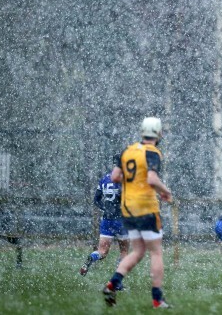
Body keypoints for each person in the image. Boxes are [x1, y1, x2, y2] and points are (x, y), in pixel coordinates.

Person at [102, 117, 173, 309]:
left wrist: (132, 181)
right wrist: (165, 191)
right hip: (146, 207)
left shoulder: (127, 150)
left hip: (127, 207)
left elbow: (115, 176)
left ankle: (112, 283)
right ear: (159, 134)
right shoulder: (153, 152)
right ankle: (157, 299)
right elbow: (151, 179)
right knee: (156, 252)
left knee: (138, 251)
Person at [80, 168, 130, 281]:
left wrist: (106, 208)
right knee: (124, 251)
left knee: (102, 251)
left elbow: (96, 200)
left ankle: (92, 257)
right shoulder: (126, 178)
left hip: (107, 219)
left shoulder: (105, 178)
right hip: (121, 220)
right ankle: (117, 282)